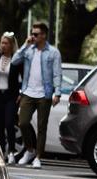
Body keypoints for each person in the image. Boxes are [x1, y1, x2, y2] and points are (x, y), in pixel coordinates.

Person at [11, 22, 62, 169]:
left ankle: (38, 157)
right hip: (28, 92)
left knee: (41, 127)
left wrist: (57, 93)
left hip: (44, 94)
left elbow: (57, 73)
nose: (33, 36)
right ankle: (30, 150)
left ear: (44, 35)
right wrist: (24, 45)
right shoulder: (28, 50)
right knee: (23, 123)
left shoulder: (53, 52)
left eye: (36, 34)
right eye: (32, 33)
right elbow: (14, 61)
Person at [0, 32, 22, 164]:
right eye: (2, 43)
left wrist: (21, 93)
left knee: (9, 123)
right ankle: (1, 152)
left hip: (11, 97)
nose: (3, 45)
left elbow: (21, 78)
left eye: (6, 43)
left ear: (11, 45)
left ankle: (12, 152)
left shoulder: (16, 59)